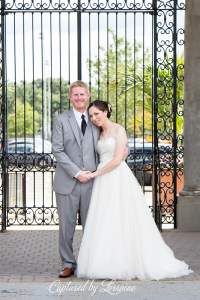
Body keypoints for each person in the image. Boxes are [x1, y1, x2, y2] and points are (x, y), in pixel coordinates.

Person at [77, 100, 193, 281]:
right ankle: (105, 261)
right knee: (105, 219)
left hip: (116, 177)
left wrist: (93, 174)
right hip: (102, 180)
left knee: (121, 218)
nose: (94, 118)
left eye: (97, 114)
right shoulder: (97, 132)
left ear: (106, 111)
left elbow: (116, 161)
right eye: (91, 115)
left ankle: (128, 262)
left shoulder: (118, 130)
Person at [52, 81, 128, 278]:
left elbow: (111, 139)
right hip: (67, 181)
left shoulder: (97, 118)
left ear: (88, 95)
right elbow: (57, 150)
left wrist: (122, 152)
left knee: (94, 225)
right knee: (66, 227)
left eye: (82, 94)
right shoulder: (60, 120)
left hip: (94, 182)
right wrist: (77, 173)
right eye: (75, 95)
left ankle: (91, 262)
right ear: (70, 97)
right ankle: (68, 263)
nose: (79, 98)